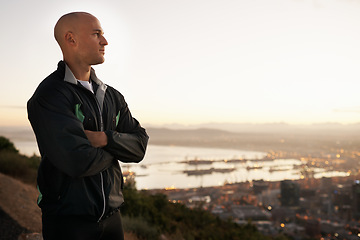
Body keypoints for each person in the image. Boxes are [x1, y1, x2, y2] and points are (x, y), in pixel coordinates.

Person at [27, 12, 149, 240]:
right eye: (96, 34)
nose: (105, 42)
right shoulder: (51, 95)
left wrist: (105, 139)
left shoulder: (112, 96)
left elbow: (140, 146)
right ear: (70, 39)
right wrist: (117, 150)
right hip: (68, 222)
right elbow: (77, 161)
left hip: (112, 218)